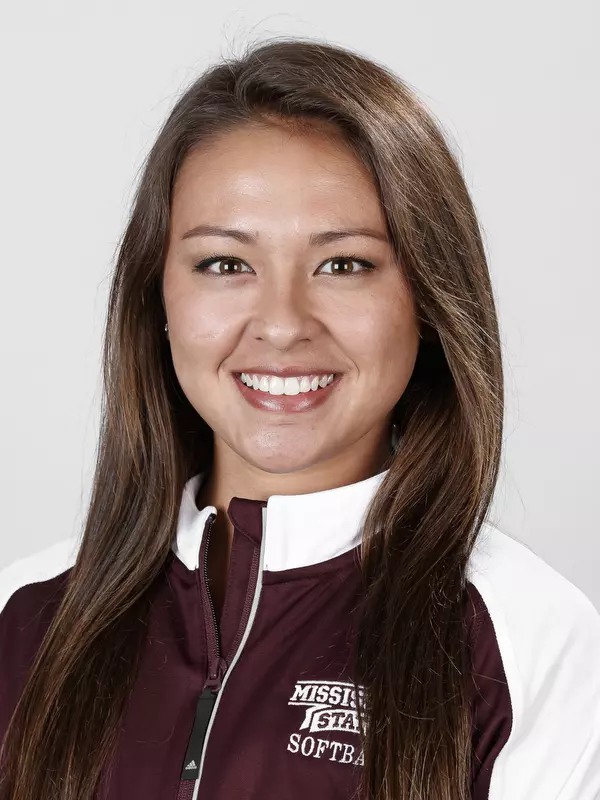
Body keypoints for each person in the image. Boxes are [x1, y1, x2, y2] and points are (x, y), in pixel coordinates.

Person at [0, 36, 599, 800]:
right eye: (225, 263)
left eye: (343, 264)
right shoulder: (29, 614)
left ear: (429, 300)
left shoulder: (526, 635)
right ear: (159, 299)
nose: (282, 323)